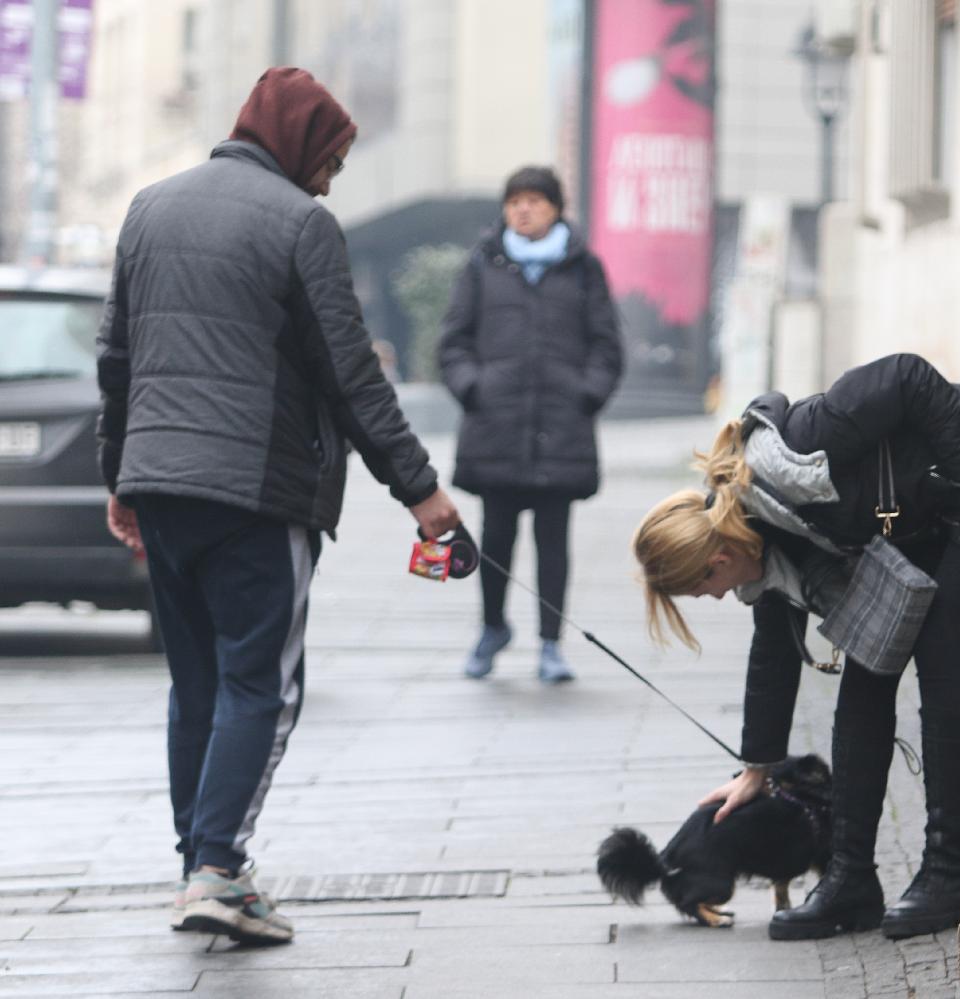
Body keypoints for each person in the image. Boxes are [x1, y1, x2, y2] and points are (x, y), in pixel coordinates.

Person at [96, 67, 461, 946]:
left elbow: (116, 357)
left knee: (198, 685)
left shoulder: (149, 207)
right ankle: (218, 869)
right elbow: (351, 376)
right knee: (264, 685)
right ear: (299, 144)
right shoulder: (302, 224)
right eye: (331, 158)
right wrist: (422, 490)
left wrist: (121, 476)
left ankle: (205, 868)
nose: (331, 178)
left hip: (160, 486)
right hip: (254, 494)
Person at [631, 353, 960, 941]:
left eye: (702, 590)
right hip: (937, 515)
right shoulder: (765, 540)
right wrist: (757, 770)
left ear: (717, 558)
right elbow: (772, 657)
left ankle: (946, 874)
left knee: (941, 654)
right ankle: (851, 879)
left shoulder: (798, 449)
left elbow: (906, 375)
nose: (716, 598)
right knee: (865, 673)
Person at [439, 166, 623, 684]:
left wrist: (587, 394)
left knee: (553, 541)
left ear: (556, 208)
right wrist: (473, 387)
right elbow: (452, 342)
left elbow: (607, 346)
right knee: (493, 537)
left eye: (535, 201)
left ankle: (550, 643)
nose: (523, 209)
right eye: (514, 200)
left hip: (561, 428)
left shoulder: (584, 269)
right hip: (496, 426)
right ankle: (492, 627)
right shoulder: (482, 265)